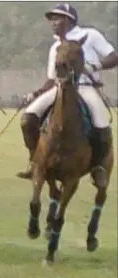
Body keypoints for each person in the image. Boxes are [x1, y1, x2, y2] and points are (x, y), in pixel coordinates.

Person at [17, 3, 118, 188]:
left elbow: (114, 57)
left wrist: (94, 66)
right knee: (27, 119)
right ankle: (35, 161)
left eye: (57, 18)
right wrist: (36, 93)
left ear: (69, 20)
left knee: (102, 126)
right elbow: (51, 79)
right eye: (52, 19)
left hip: (85, 88)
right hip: (60, 88)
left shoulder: (91, 35)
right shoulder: (55, 46)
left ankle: (98, 169)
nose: (53, 23)